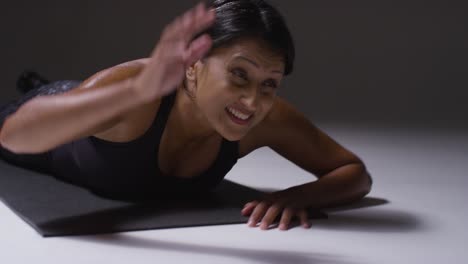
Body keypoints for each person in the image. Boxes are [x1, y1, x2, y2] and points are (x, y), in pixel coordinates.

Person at [0, 0, 372, 231]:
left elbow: (354, 174)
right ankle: (38, 84)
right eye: (239, 74)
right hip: (53, 111)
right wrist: (136, 91)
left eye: (269, 84)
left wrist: (299, 197)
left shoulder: (265, 116)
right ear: (193, 65)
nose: (252, 101)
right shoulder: (139, 91)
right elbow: (14, 136)